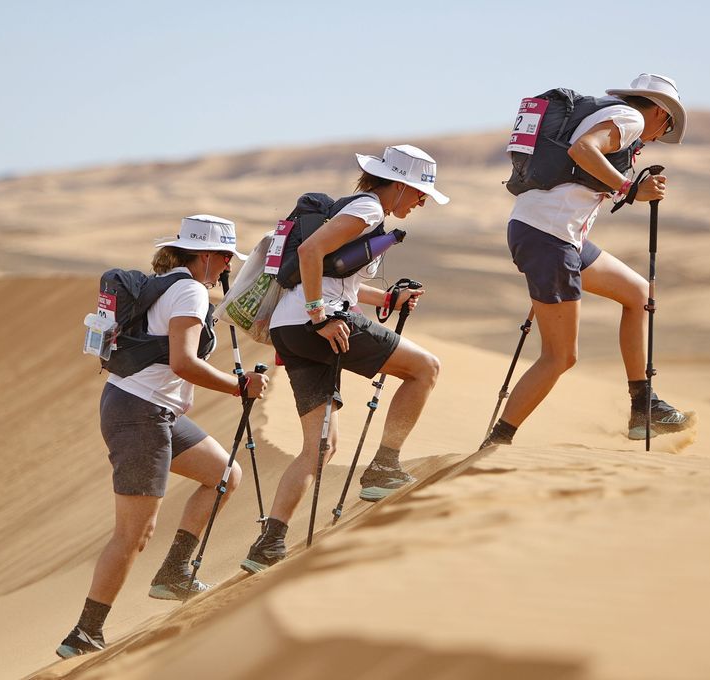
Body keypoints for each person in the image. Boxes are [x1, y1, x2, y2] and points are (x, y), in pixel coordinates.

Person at [57, 215, 269, 659]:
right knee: (134, 533)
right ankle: (84, 633)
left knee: (224, 476)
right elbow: (184, 363)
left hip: (147, 408)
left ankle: (174, 574)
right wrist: (238, 385)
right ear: (210, 256)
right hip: (141, 413)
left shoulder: (166, 283)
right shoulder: (190, 290)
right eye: (227, 257)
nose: (229, 266)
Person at [240, 144, 448, 574]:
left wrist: (388, 297)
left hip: (290, 329)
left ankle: (268, 543)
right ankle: (383, 469)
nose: (422, 200)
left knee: (320, 447)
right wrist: (320, 315)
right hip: (319, 325)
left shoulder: (357, 208)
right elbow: (309, 254)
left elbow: (333, 274)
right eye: (420, 191)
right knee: (425, 368)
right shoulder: (370, 210)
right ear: (400, 184)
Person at [485, 73, 696, 447]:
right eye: (666, 126)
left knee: (637, 294)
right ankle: (498, 443)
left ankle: (642, 404)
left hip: (554, 234)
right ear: (660, 113)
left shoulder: (608, 113)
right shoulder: (629, 119)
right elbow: (582, 150)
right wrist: (631, 188)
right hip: (548, 237)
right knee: (560, 356)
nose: (659, 135)